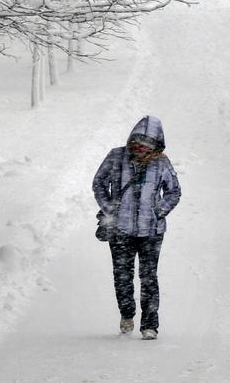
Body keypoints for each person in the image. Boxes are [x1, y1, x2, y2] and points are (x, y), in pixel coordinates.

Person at [92, 115, 181, 340]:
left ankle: (150, 324)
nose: (139, 147)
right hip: (120, 231)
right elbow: (98, 183)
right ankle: (127, 314)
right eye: (136, 141)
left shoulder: (162, 163)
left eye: (146, 143)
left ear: (156, 145)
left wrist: (157, 212)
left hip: (151, 232)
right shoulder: (115, 157)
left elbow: (174, 191)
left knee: (148, 277)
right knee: (122, 276)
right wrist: (110, 208)